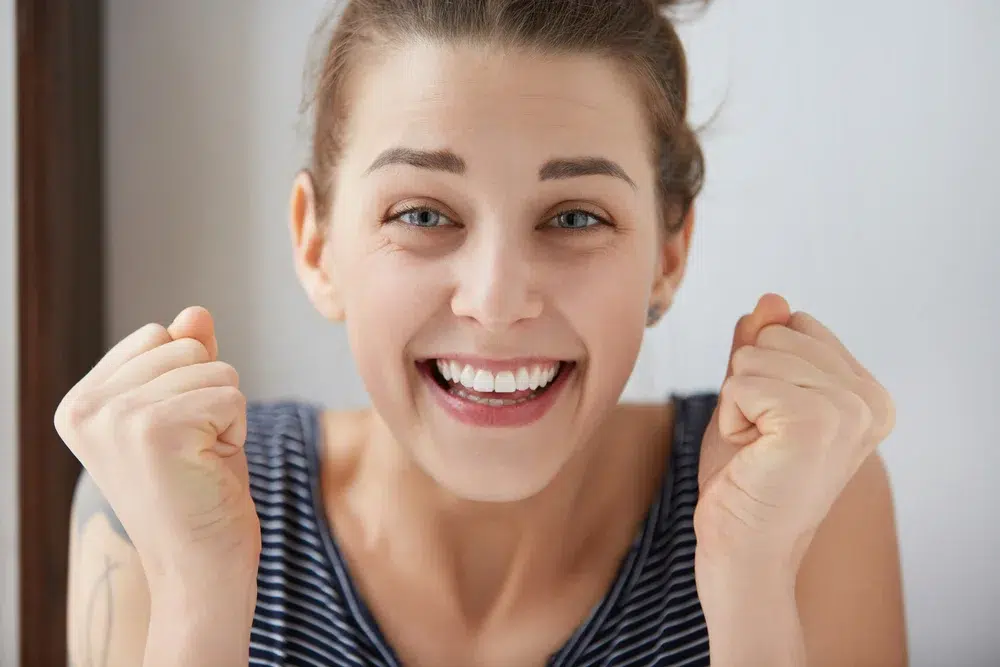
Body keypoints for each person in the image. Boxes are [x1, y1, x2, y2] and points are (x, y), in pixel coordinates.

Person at [57, 0, 907, 665]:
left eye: (574, 215)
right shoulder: (160, 505)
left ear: (668, 254)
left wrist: (751, 591)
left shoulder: (803, 498)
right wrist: (198, 605)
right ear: (318, 245)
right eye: (423, 211)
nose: (497, 301)